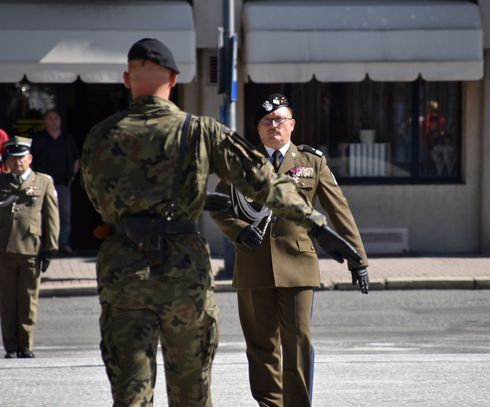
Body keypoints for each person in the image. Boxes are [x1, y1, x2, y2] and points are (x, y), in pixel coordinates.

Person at [80, 38, 360, 407]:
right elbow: (264, 182)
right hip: (182, 271)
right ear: (175, 80)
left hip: (123, 270)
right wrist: (318, 226)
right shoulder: (200, 131)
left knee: (131, 391)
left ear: (126, 79)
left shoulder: (101, 135)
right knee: (190, 390)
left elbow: (96, 199)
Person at [211, 93, 369, 407]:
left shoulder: (312, 162)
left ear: (292, 124)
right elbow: (219, 208)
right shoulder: (242, 163)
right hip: (254, 264)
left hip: (298, 264)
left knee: (298, 342)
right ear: (258, 128)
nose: (273, 125)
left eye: (279, 119)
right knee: (261, 347)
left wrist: (358, 259)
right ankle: (271, 404)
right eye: (267, 121)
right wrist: (240, 232)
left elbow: (340, 211)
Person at [0, 136, 59, 359]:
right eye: (13, 159)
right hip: (4, 249)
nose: (17, 163)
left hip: (31, 249)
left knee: (28, 299)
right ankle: (11, 346)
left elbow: (52, 218)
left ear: (30, 158)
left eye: (21, 158)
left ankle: (26, 345)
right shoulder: (2, 182)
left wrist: (50, 249)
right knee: (7, 301)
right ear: (6, 161)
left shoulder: (43, 182)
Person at [31, 110, 80, 255]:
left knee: (64, 216)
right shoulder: (39, 139)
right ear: (45, 122)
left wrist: (71, 177)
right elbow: (30, 160)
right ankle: (46, 245)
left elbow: (77, 160)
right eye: (50, 119)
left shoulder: (67, 139)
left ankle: (63, 244)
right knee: (43, 215)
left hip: (63, 184)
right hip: (42, 185)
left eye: (56, 118)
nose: (54, 121)